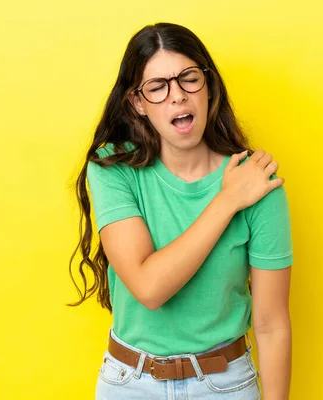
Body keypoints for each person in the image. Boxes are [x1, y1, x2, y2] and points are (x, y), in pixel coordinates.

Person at [69, 22, 294, 400]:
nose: (178, 96)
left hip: (226, 385)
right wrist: (226, 201)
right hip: (130, 384)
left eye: (189, 79)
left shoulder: (257, 182)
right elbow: (149, 287)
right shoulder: (112, 168)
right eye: (157, 87)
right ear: (137, 103)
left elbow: (272, 325)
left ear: (208, 87)